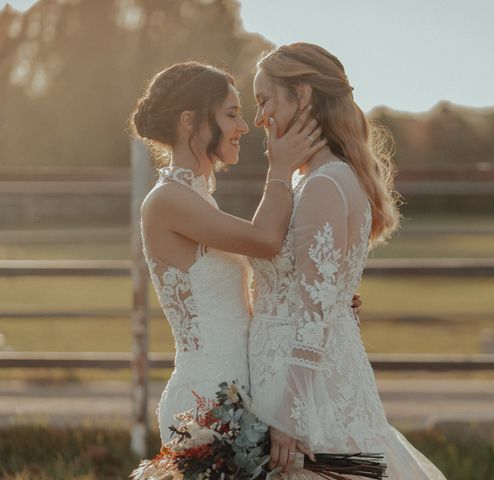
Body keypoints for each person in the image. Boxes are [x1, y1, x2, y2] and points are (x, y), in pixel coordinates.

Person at [248, 43, 447, 479]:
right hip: (301, 373)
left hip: (304, 393)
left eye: (264, 100)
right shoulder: (322, 179)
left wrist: (290, 415)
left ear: (301, 96)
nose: (259, 118)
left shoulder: (322, 185)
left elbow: (314, 312)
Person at [131, 61, 348, 444]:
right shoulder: (166, 201)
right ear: (189, 121)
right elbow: (265, 239)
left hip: (238, 393)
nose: (244, 127)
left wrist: (322, 295)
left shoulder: (196, 198)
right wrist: (279, 169)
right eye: (232, 114)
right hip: (205, 403)